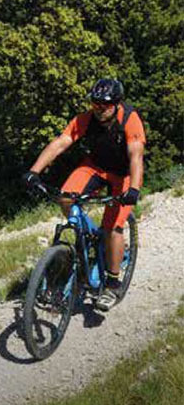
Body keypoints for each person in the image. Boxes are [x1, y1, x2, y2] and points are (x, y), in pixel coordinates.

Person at [22, 79, 145, 311]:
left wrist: (134, 189)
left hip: (124, 174)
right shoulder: (86, 119)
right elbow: (61, 143)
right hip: (95, 167)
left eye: (105, 105)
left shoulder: (130, 120)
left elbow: (136, 156)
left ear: (117, 104)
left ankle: (112, 282)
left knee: (113, 227)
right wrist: (34, 171)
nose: (99, 109)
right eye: (95, 104)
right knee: (66, 198)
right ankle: (89, 235)